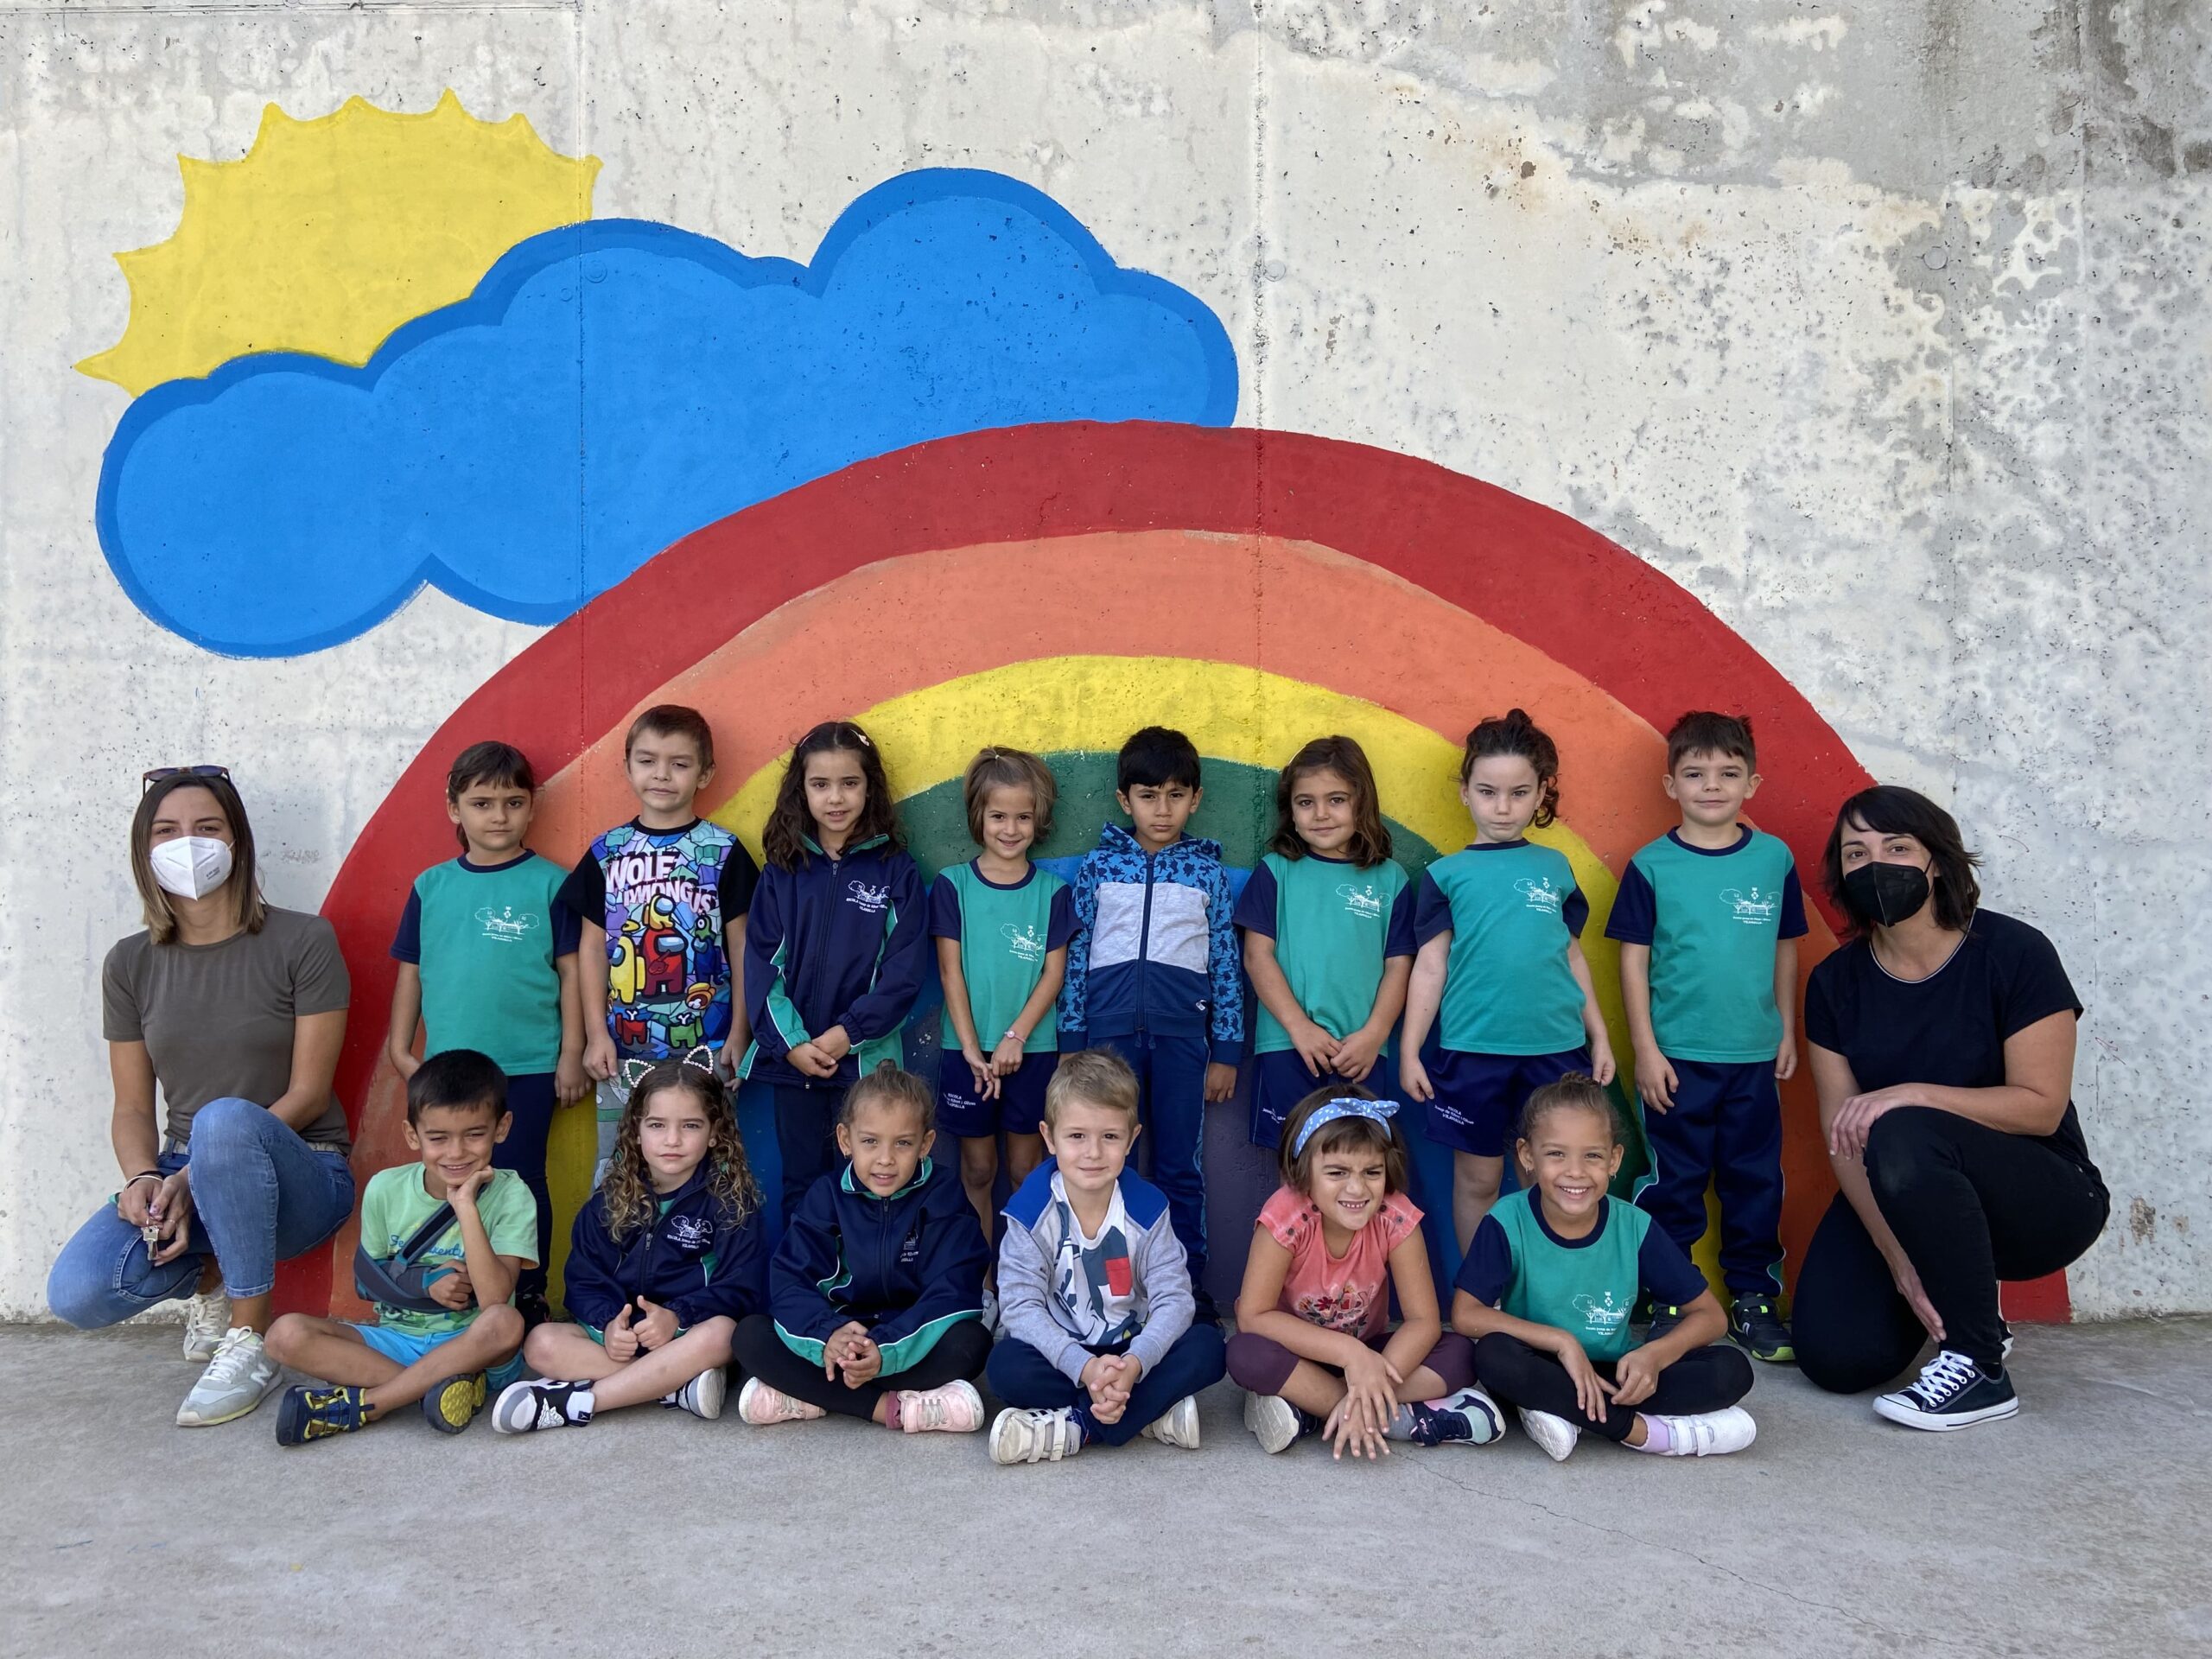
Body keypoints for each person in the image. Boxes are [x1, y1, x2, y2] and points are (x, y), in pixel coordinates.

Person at [48, 766, 355, 1428]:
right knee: (80, 1290)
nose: (187, 843)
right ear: (144, 849)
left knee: (222, 1122)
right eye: (167, 831)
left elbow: (309, 1093)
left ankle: (250, 1339)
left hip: (304, 1169)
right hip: (183, 1163)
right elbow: (133, 1107)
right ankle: (210, 1274)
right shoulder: (130, 962)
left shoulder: (304, 941)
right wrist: (144, 1178)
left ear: (236, 841)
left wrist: (196, 1173)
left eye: (207, 827)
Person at [1794, 786, 2107, 1430]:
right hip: (1902, 1185)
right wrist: (1898, 1259)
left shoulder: (2014, 952)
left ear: (1937, 862)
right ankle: (1970, 1310)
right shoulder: (1834, 983)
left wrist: (1911, 1093)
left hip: (2041, 1195)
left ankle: (1980, 1367)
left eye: (1897, 848)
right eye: (1856, 853)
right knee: (1837, 1359)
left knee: (1902, 1128)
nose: (1875, 865)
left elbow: (2041, 1108)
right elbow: (1841, 1136)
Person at [1604, 711, 1807, 1363]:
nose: (1711, 786)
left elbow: (1785, 948)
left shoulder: (1774, 859)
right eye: (1695, 774)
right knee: (1675, 1182)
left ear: (1753, 783)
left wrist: (1786, 1028)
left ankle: (1754, 1300)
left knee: (1755, 1182)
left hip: (1753, 1057)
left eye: (1727, 773)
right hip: (1676, 1060)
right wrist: (1646, 1050)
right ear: (1671, 785)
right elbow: (1632, 961)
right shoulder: (1651, 865)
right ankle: (1672, 1299)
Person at [1453, 1075, 1758, 1461]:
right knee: (1493, 1356)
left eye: (1592, 1156)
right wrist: (1561, 1342)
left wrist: (1655, 1355)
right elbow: (1466, 1315)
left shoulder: (1634, 1226)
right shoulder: (1507, 1220)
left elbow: (1710, 1317)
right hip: (1540, 1363)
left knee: (1732, 1368)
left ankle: (1562, 1410)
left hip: (1615, 1373)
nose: (1575, 1172)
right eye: (1556, 1154)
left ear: (1614, 1160)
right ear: (1527, 1156)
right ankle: (1643, 1432)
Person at [1401, 709, 1617, 1250]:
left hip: (1556, 1052)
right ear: (1465, 792)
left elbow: (1571, 956)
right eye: (1488, 791)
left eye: (1519, 793)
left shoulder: (1556, 868)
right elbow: (1430, 965)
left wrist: (1600, 1036)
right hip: (1472, 1053)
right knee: (1479, 1180)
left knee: (1546, 1179)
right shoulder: (1445, 876)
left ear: (1541, 793)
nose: (1503, 807)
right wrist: (1409, 1051)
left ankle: (1540, 1284)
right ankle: (1481, 1289)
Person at [386, 740, 586, 1322]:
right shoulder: (430, 887)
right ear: (454, 808)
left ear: (531, 807)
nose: (499, 816)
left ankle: (528, 1296)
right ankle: (462, 1295)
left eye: (513, 802)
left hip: (528, 1066)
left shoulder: (553, 884)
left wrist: (572, 1052)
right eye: (482, 803)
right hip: (448, 1073)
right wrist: (400, 1049)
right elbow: (411, 971)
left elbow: (572, 973)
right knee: (453, 1181)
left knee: (520, 1183)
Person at [1058, 726, 1243, 1305]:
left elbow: (1226, 963)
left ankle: (1184, 1290)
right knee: (1109, 1166)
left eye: (1175, 795)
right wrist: (1072, 1040)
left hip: (1184, 1042)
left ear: (1195, 799)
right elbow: (1076, 955)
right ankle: (1112, 1293)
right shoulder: (1099, 868)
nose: (1162, 810)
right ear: (1124, 799)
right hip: (1106, 1043)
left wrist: (1227, 1050)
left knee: (1178, 1167)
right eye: (1147, 796)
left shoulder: (1207, 873)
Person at [266, 1049, 534, 1444]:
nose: (456, 1152)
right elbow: (366, 1282)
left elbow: (495, 1298)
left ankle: (372, 1404)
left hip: (474, 1347)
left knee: (505, 1322)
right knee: (283, 1335)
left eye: (474, 1134)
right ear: (412, 1135)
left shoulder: (512, 1195)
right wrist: (424, 1283)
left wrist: (464, 1206)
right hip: (396, 1340)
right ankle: (435, 1389)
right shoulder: (385, 1189)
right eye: (438, 1138)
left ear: (501, 1127)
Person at [493, 1051, 766, 1431]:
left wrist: (678, 1316)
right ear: (636, 1130)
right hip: (622, 1339)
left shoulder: (731, 1203)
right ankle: (674, 1387)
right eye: (657, 1125)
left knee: (723, 1334)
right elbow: (584, 1281)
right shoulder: (608, 1202)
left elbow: (743, 1287)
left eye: (690, 1126)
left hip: (688, 1334)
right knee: (540, 1343)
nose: (672, 1140)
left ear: (714, 1132)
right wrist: (608, 1323)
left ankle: (581, 1402)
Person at [984, 1049, 1227, 1464]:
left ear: (1132, 1138)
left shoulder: (1147, 1209)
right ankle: (1145, 1414)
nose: (1093, 1152)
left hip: (1135, 1348)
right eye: (1077, 1136)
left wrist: (1133, 1364)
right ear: (1049, 1137)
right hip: (1066, 1353)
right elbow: (1020, 1307)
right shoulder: (1030, 1212)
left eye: (1110, 1137)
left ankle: (1079, 1426)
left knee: (1208, 1347)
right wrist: (1084, 1368)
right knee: (1005, 1368)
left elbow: (1174, 1299)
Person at [1225, 1087, 1497, 1457]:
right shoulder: (1286, 1219)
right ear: (1303, 1172)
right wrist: (1350, 1353)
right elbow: (1254, 1316)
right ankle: (1397, 1417)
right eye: (1337, 1172)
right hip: (1297, 1352)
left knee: (1461, 1352)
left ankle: (1320, 1410)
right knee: (1245, 1353)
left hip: (1373, 1355)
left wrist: (1369, 1370)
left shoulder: (1395, 1217)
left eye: (1372, 1172)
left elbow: (1423, 1322)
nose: (1357, 1188)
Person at [730, 1064, 992, 1433]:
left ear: (926, 1144)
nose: (885, 1158)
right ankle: (888, 1407)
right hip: (840, 1333)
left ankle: (811, 1394)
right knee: (750, 1336)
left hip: (908, 1336)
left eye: (903, 1143)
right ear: (845, 1139)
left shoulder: (943, 1194)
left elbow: (954, 1288)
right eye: (870, 1141)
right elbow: (791, 1281)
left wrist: (884, 1351)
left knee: (971, 1343)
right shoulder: (826, 1197)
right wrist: (829, 1337)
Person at [740, 721, 928, 1224]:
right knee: (802, 1186)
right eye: (820, 784)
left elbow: (904, 976)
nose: (836, 798)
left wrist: (848, 1035)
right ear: (801, 790)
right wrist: (793, 1045)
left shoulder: (896, 871)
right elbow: (761, 968)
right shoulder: (782, 870)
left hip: (865, 1066)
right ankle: (804, 1275)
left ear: (870, 787)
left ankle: (864, 1274)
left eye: (849, 783)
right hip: (794, 1062)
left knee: (870, 1187)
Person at [559, 704, 758, 1179]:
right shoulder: (605, 853)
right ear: (627, 766)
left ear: (704, 773)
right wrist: (595, 1035)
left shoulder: (724, 851)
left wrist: (741, 1032)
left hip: (708, 1049)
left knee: (711, 1169)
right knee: (620, 1169)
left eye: (679, 763)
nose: (662, 774)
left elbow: (743, 948)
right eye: (647, 761)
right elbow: (591, 949)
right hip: (621, 1053)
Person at [930, 747, 1076, 1292]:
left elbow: (1053, 975)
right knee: (978, 1170)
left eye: (1022, 817)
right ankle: (984, 1284)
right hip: (966, 1052)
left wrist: (1015, 1037)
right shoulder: (953, 885)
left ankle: (1025, 1283)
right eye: (998, 816)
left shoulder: (1053, 893)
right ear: (978, 816)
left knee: (1024, 1172)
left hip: (1031, 1051)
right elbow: (950, 973)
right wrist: (973, 1048)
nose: (1010, 829)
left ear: (1039, 820)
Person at [1235, 735, 1415, 1149]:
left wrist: (1375, 1035)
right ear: (1291, 810)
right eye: (1306, 802)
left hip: (1362, 1052)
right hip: (1289, 1044)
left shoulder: (1391, 879)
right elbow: (1257, 956)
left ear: (1361, 802)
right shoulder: (1275, 871)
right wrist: (1299, 1027)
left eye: (1336, 800)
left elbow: (1399, 966)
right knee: (1295, 1160)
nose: (1321, 814)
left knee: (1359, 1159)